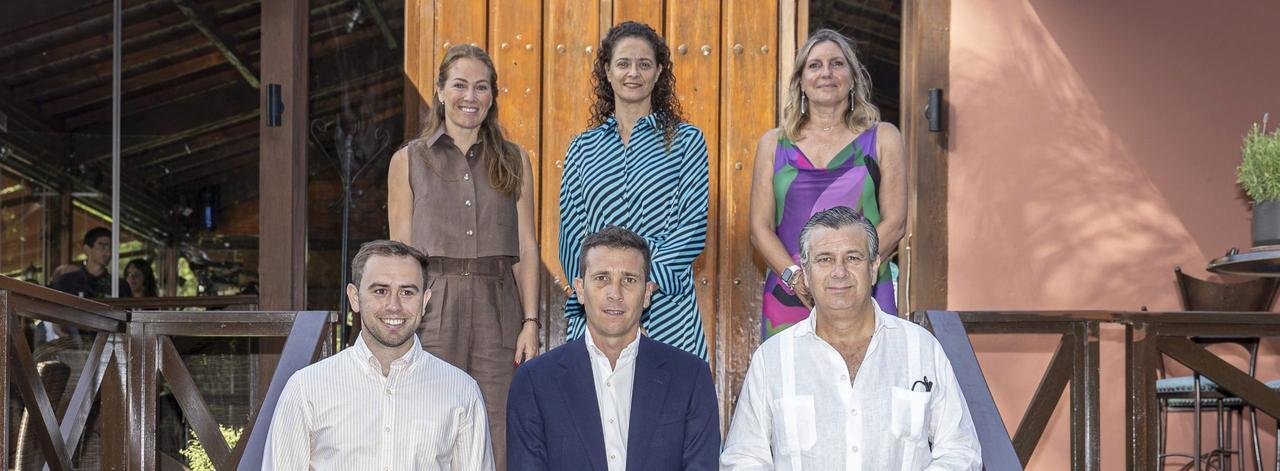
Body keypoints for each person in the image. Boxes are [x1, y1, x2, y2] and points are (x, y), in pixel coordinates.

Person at [722, 207, 980, 469]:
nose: (839, 272)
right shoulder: (773, 359)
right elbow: (743, 459)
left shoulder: (921, 349)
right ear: (806, 272)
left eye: (853, 258)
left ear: (874, 266)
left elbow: (961, 451)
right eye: (824, 259)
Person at [387, 44, 540, 469]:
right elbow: (400, 257)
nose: (469, 96)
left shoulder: (515, 160)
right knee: (429, 421)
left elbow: (526, 246)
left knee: (497, 424)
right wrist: (403, 321)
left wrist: (530, 322)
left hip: (498, 309)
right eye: (459, 85)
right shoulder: (408, 161)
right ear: (439, 90)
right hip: (433, 308)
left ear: (492, 96)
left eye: (481, 87)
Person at [265, 240, 493, 470]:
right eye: (380, 291)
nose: (394, 305)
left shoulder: (461, 392)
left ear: (424, 301)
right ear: (355, 297)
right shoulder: (306, 389)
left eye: (406, 292)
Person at [508, 226, 719, 470]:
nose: (615, 293)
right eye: (602, 278)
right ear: (579, 289)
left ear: (647, 293)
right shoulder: (535, 381)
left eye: (629, 280)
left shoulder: (690, 377)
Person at [558, 21, 710, 360]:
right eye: (623, 63)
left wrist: (639, 289)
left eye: (644, 64)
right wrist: (605, 294)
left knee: (668, 407)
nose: (633, 73)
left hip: (667, 310)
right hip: (598, 313)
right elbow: (571, 239)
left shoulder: (687, 141)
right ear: (607, 72)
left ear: (658, 73)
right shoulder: (582, 148)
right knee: (591, 410)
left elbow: (691, 229)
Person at [748, 29, 905, 339]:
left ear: (853, 77)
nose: (826, 73)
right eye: (815, 65)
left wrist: (852, 269)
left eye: (837, 64)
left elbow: (896, 222)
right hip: (793, 291)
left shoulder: (884, 137)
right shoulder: (773, 144)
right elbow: (759, 228)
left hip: (865, 287)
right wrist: (796, 278)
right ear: (801, 81)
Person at [49, 227, 131, 298]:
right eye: (103, 246)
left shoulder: (120, 285)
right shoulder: (66, 282)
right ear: (87, 249)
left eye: (111, 248)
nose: (108, 252)